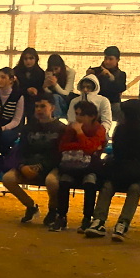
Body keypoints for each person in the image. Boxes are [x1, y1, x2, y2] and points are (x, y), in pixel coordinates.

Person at [85, 99, 140, 241]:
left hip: (135, 174)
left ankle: (110, 222)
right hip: (131, 172)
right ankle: (111, 223)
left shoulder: (129, 131)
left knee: (124, 187)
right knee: (119, 187)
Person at [2, 94, 65, 225]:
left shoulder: (61, 128)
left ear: (52, 108)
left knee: (52, 182)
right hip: (28, 166)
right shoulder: (28, 128)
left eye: (43, 106)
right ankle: (31, 206)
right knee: (7, 179)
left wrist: (41, 167)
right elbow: (20, 151)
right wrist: (21, 166)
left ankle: (53, 210)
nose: (39, 110)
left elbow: (59, 155)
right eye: (36, 107)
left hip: (51, 167)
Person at [50, 100, 107, 233]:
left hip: (90, 168)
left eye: (81, 115)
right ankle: (62, 216)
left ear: (92, 116)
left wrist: (80, 134)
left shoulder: (99, 129)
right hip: (71, 166)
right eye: (76, 114)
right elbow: (63, 147)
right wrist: (84, 146)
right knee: (64, 181)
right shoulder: (70, 128)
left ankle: (87, 218)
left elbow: (90, 148)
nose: (77, 118)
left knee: (90, 182)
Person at [0, 66, 25, 149]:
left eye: (3, 77)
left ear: (11, 80)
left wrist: (3, 128)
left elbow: (16, 120)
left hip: (11, 128)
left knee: (4, 136)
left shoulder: (18, 96)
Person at [94, 45, 128, 122]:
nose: (107, 62)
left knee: (123, 112)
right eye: (105, 58)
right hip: (97, 102)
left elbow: (121, 88)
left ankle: (119, 132)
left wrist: (111, 77)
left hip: (113, 103)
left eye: (111, 59)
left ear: (117, 60)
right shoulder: (96, 72)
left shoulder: (121, 74)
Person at [13, 48, 45, 116]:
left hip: (33, 101)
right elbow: (13, 89)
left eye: (31, 58)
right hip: (18, 100)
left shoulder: (40, 73)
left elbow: (42, 90)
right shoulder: (16, 71)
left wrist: (36, 91)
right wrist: (26, 90)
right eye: (25, 59)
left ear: (36, 59)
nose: (28, 61)